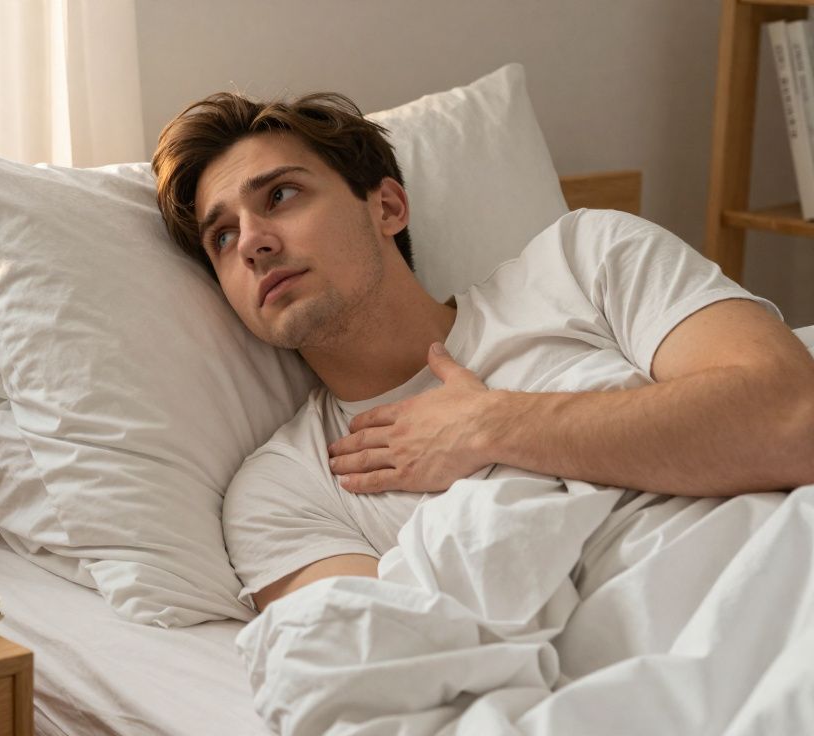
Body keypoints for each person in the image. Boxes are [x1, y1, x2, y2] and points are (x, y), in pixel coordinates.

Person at [150, 91, 814, 613]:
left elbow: (795, 420)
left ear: (386, 207)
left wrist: (491, 425)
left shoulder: (585, 263)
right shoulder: (283, 492)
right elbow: (380, 670)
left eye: (280, 195)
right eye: (222, 237)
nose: (253, 242)